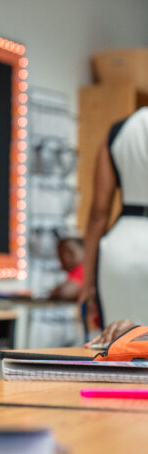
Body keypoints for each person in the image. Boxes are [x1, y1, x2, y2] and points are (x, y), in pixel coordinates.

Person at [81, 107, 148, 327]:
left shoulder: (120, 130)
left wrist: (87, 282)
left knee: (118, 347)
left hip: (120, 251)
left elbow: (99, 213)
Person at [49, 237, 85, 301]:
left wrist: (58, 291)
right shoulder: (76, 272)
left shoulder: (82, 269)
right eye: (61, 257)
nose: (66, 258)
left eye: (70, 252)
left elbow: (67, 292)